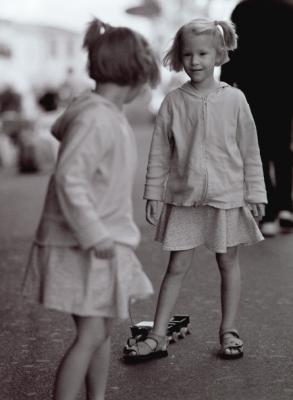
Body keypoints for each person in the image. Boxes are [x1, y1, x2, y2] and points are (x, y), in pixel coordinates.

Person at [21, 18, 160, 400]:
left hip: (97, 243)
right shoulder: (95, 118)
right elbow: (69, 178)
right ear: (134, 74)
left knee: (100, 331)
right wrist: (94, 233)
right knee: (93, 333)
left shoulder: (100, 113)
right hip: (84, 244)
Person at [124, 17, 267, 362]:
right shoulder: (173, 102)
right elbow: (159, 152)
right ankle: (157, 335)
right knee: (176, 267)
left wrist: (256, 193)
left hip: (227, 198)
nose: (195, 61)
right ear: (179, 56)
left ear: (219, 55)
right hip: (185, 201)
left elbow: (250, 150)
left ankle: (228, 329)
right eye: (188, 54)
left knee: (228, 263)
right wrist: (153, 193)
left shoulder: (235, 99)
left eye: (203, 53)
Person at [220, 0, 293, 237]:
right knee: (282, 147)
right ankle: (285, 206)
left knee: (259, 149)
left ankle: (271, 210)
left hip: (253, 88)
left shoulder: (242, 10)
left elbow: (231, 51)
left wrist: (225, 86)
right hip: (283, 87)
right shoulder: (287, 8)